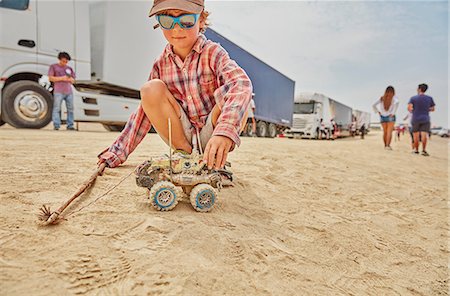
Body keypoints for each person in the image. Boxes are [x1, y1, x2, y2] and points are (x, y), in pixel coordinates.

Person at [97, 0, 252, 172]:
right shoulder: (160, 64)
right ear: (159, 23)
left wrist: (225, 131)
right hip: (182, 136)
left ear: (201, 20)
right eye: (167, 21)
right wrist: (117, 153)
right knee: (150, 89)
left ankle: (213, 159)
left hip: (213, 131)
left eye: (186, 21)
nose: (177, 29)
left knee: (237, 95)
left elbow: (241, 84)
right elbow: (143, 114)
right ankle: (187, 159)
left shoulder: (213, 53)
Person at [48, 52, 76, 130]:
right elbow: (51, 78)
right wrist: (62, 78)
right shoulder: (53, 67)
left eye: (66, 61)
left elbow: (73, 80)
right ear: (59, 59)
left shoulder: (69, 69)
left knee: (70, 109)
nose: (65, 63)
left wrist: (70, 79)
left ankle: (70, 125)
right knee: (57, 108)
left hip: (68, 91)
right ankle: (56, 125)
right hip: (58, 91)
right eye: (63, 61)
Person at [408, 83, 435, 156]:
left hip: (415, 118)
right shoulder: (429, 98)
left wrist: (415, 109)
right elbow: (433, 109)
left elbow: (409, 108)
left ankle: (416, 150)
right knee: (424, 135)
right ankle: (423, 150)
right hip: (425, 118)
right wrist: (426, 109)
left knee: (415, 136)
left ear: (419, 89)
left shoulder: (413, 98)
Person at [372, 85, 399, 150]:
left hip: (382, 116)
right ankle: (387, 146)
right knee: (389, 132)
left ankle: (385, 145)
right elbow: (397, 102)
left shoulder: (382, 98)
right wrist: (393, 113)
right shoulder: (394, 98)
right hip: (390, 117)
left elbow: (373, 105)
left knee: (385, 132)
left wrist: (378, 112)